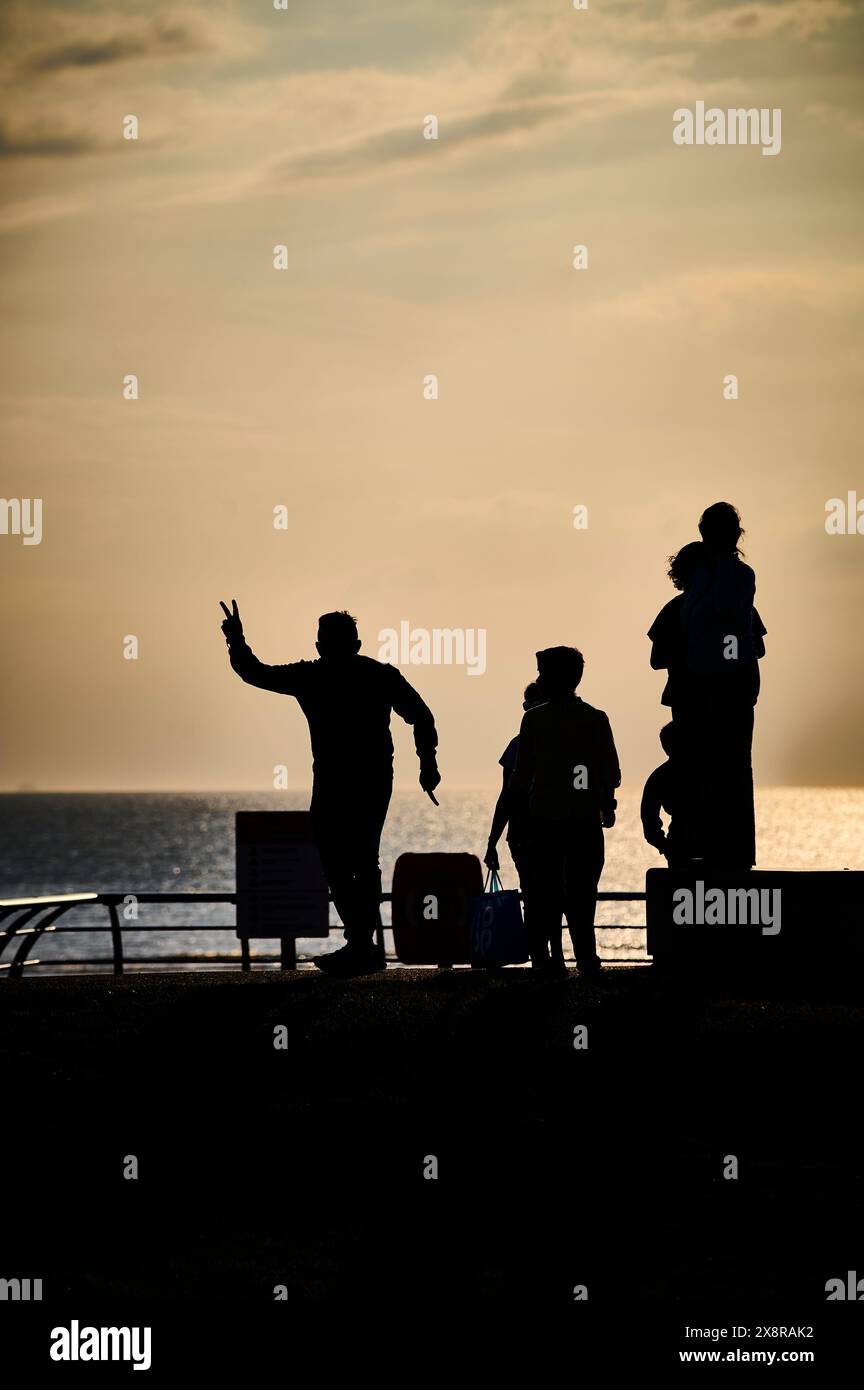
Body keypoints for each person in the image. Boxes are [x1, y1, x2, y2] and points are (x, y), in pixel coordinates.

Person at [220, 601, 440, 977]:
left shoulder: (313, 676)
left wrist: (236, 641)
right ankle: (361, 943)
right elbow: (421, 715)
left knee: (338, 862)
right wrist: (427, 762)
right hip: (371, 780)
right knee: (358, 859)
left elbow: (253, 672)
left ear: (320, 645)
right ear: (356, 644)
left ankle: (360, 944)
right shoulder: (377, 675)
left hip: (337, 783)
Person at [509, 647, 620, 977]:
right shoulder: (595, 719)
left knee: (545, 894)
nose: (539, 679)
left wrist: (518, 818)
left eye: (543, 672)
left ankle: (549, 960)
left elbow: (521, 775)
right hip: (585, 821)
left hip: (544, 821)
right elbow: (609, 772)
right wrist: (607, 805)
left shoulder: (533, 720)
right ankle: (586, 958)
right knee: (583, 895)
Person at [640, 722, 693, 867]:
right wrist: (665, 846)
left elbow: (648, 818)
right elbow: (649, 817)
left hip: (679, 843)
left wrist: (663, 845)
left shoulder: (659, 776)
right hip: (690, 843)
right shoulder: (707, 772)